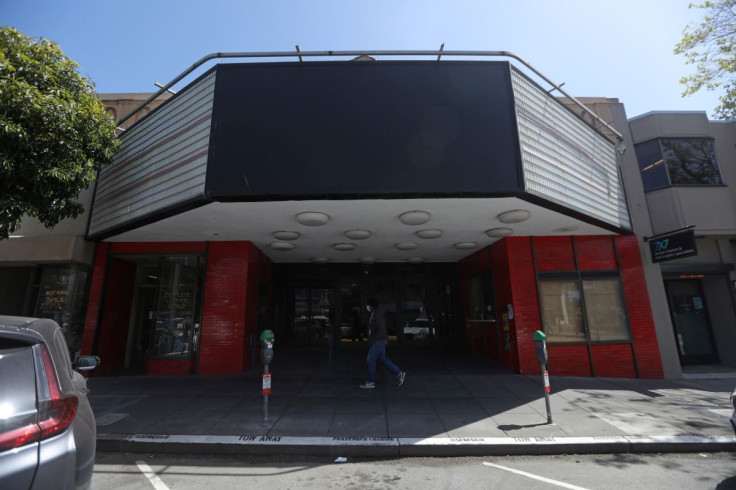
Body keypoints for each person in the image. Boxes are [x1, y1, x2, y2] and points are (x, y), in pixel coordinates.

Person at [360, 298, 406, 389]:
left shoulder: (377, 314)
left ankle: (370, 382)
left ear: (371, 306)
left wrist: (374, 340)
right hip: (380, 340)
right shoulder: (374, 314)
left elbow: (382, 329)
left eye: (368, 305)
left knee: (370, 359)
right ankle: (399, 373)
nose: (367, 307)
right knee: (382, 359)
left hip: (379, 341)